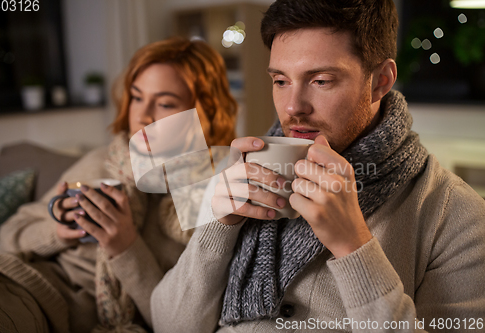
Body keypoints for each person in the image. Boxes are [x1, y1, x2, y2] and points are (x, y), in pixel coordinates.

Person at [150, 1, 485, 332]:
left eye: (321, 80)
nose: (293, 106)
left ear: (381, 81)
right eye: (280, 81)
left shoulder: (458, 217)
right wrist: (217, 225)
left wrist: (354, 246)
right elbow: (168, 324)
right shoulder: (241, 170)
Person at [0, 36, 237, 332]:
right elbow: (9, 234)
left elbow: (179, 319)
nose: (142, 115)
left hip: (55, 310)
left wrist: (126, 246)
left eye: (165, 103)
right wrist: (61, 231)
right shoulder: (104, 160)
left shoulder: (215, 196)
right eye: (137, 97)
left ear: (204, 111)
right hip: (15, 280)